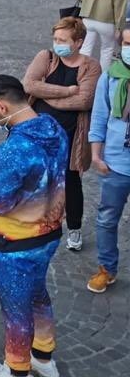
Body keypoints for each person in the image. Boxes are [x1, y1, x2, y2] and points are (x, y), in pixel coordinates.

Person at [0, 76, 67, 377]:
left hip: (16, 241)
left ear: (1, 106)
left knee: (16, 308)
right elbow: (39, 166)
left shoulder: (15, 147)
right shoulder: (54, 128)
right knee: (38, 295)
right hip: (49, 233)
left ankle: (16, 369)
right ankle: (43, 355)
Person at [23, 16, 101, 252]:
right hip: (38, 133)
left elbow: (85, 100)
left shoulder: (91, 66)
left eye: (63, 39)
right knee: (34, 177)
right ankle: (32, 223)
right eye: (55, 38)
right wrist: (65, 91)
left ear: (78, 42)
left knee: (70, 183)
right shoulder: (46, 57)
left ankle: (74, 229)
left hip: (70, 137)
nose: (57, 43)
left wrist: (48, 95)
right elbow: (29, 85)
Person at [87, 26, 130, 293]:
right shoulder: (110, 77)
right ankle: (107, 268)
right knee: (106, 219)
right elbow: (99, 117)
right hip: (116, 163)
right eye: (127, 42)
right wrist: (95, 155)